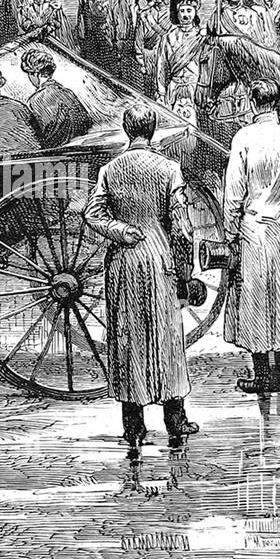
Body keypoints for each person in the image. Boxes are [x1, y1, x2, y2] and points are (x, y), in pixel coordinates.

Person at [84, 104, 199, 451]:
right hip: (159, 259)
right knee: (166, 338)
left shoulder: (110, 169)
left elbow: (93, 214)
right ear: (153, 130)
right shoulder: (169, 169)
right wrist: (185, 275)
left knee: (128, 337)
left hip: (122, 263)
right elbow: (182, 230)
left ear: (124, 128)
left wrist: (119, 230)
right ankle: (175, 420)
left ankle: (133, 426)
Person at [222, 80, 280, 392]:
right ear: (276, 103)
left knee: (255, 298)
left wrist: (230, 231)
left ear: (253, 104)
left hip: (252, 226)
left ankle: (262, 376)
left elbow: (233, 192)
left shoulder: (243, 137)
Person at [21, 45, 92, 148]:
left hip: (55, 153)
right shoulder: (68, 93)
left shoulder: (35, 100)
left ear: (35, 74)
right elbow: (86, 124)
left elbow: (36, 137)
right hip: (79, 146)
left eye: (29, 74)